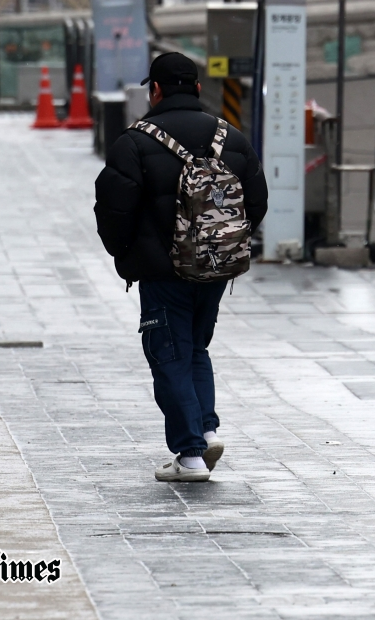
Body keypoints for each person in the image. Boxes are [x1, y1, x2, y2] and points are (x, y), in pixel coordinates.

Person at [94, 52, 268, 482]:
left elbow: (112, 209)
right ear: (195, 88)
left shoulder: (135, 141)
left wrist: (128, 256)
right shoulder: (232, 138)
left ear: (154, 90)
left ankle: (189, 456)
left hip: (162, 273)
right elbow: (256, 202)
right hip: (214, 270)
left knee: (167, 355)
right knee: (195, 349)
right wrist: (222, 246)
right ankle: (206, 431)